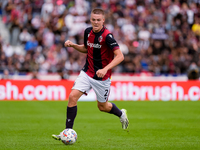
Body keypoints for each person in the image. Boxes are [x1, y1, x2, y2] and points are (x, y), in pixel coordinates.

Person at [52, 8, 129, 141]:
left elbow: (120, 56)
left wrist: (105, 69)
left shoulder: (107, 36)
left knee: (102, 107)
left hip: (102, 77)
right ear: (90, 19)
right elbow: (86, 48)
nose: (96, 22)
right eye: (93, 19)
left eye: (98, 20)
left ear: (103, 20)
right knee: (72, 97)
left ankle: (121, 113)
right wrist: (73, 45)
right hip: (87, 72)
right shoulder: (88, 31)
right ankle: (67, 131)